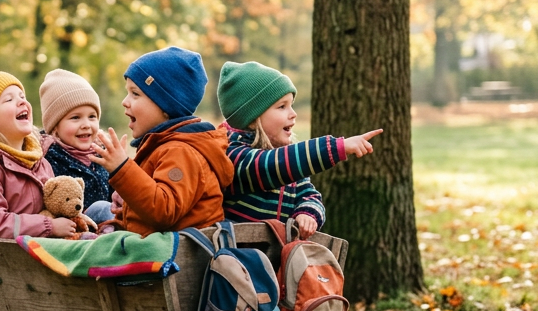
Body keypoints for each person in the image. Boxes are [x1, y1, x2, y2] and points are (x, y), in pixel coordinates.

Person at [216, 61, 381, 237]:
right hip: (241, 254)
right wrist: (336, 148)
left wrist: (307, 212)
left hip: (277, 255)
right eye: (282, 106)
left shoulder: (288, 159)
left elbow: (309, 194)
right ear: (251, 118)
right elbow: (270, 166)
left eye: (291, 104)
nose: (293, 113)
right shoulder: (232, 154)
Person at [90, 47, 234, 236]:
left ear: (166, 106)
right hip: (155, 241)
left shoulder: (181, 150)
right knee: (96, 209)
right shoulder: (164, 144)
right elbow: (152, 195)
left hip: (176, 256)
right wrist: (128, 202)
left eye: (135, 93)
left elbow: (164, 210)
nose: (125, 101)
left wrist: (122, 168)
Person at [0, 72, 80, 239]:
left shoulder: (37, 159)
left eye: (22, 96)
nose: (22, 101)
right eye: (9, 99)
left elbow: (53, 204)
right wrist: (49, 226)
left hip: (32, 251)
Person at [38, 69, 114, 224]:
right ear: (55, 127)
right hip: (76, 227)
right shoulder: (50, 158)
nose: (86, 125)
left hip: (107, 224)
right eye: (75, 118)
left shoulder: (103, 153)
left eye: (92, 116)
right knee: (102, 208)